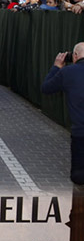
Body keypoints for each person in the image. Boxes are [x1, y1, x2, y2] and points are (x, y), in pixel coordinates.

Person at [42, 45, 84, 183]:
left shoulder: (68, 72)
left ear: (75, 56)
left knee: (78, 177)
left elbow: (46, 88)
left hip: (80, 135)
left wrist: (56, 67)